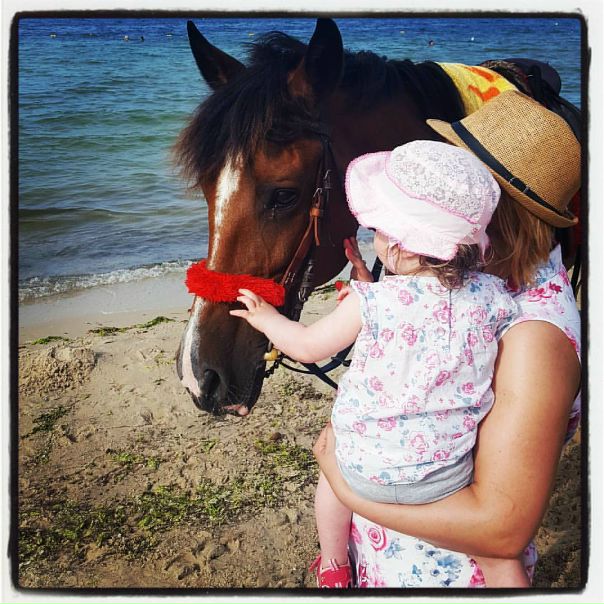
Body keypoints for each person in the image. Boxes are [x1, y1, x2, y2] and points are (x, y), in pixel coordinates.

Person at [230, 138, 529, 587]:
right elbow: (430, 323)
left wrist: (266, 318)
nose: (375, 237)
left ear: (404, 247)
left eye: (381, 231)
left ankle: (334, 564)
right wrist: (370, 283)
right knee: (498, 558)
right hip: (445, 476)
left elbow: (308, 346)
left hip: (362, 469)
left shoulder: (373, 302)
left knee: (330, 477)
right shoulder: (494, 298)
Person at [313, 90, 581, 588]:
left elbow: (500, 531)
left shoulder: (534, 339)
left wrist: (345, 487)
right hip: (395, 551)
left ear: (496, 211)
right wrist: (386, 302)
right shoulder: (478, 280)